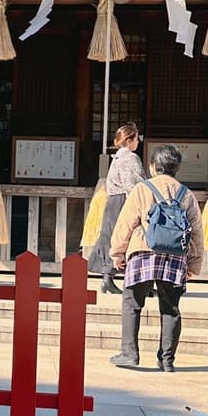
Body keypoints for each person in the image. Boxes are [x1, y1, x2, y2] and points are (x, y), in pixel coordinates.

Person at [109, 144, 204, 372]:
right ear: (176, 168)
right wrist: (194, 264)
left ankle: (129, 353)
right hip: (175, 256)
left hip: (143, 251)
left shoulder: (142, 189)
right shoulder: (186, 194)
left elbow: (126, 223)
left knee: (132, 303)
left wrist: (117, 253)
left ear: (153, 166)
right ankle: (167, 360)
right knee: (171, 307)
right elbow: (197, 232)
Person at [88, 123, 145, 294]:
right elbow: (134, 184)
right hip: (124, 200)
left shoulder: (118, 157)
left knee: (111, 236)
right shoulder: (131, 158)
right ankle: (132, 280)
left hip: (113, 200)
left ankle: (108, 277)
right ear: (129, 140)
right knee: (127, 237)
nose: (138, 142)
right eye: (137, 139)